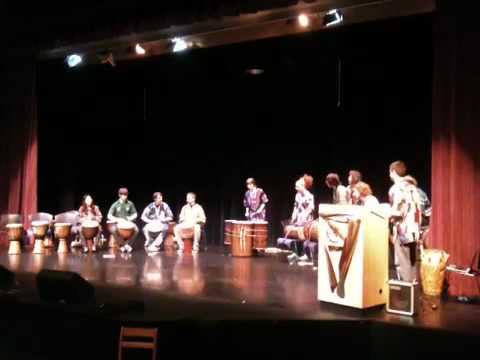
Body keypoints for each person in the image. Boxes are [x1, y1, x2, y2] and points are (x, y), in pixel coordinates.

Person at [388, 161, 422, 282]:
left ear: (392, 172)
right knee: (412, 263)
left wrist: (387, 214)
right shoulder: (414, 188)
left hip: (402, 231)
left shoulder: (395, 188)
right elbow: (419, 210)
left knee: (402, 264)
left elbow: (396, 212)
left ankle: (406, 295)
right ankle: (414, 292)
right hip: (414, 231)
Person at [107, 187, 139, 253]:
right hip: (118, 223)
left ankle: (128, 244)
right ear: (119, 195)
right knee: (113, 230)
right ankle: (123, 245)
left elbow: (135, 214)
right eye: (123, 195)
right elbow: (109, 215)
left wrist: (130, 218)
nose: (125, 196)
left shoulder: (130, 203)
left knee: (137, 229)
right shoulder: (115, 204)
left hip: (128, 222)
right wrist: (117, 219)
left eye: (126, 195)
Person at [284, 174, 315, 240]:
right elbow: (296, 207)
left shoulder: (309, 196)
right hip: (299, 218)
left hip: (306, 219)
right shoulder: (297, 195)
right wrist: (293, 216)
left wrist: (303, 216)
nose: (296, 188)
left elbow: (310, 208)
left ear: (302, 186)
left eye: (297, 187)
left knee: (303, 232)